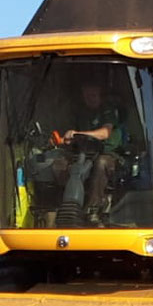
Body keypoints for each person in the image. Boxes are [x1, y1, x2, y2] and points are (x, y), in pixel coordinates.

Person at [37, 76, 129, 225]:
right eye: (86, 95)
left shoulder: (108, 110)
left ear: (100, 95)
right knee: (58, 163)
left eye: (93, 95)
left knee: (101, 163)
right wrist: (65, 139)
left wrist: (79, 134)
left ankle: (93, 211)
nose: (89, 98)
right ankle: (59, 208)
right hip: (83, 154)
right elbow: (69, 135)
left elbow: (104, 133)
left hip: (111, 155)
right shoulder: (80, 112)